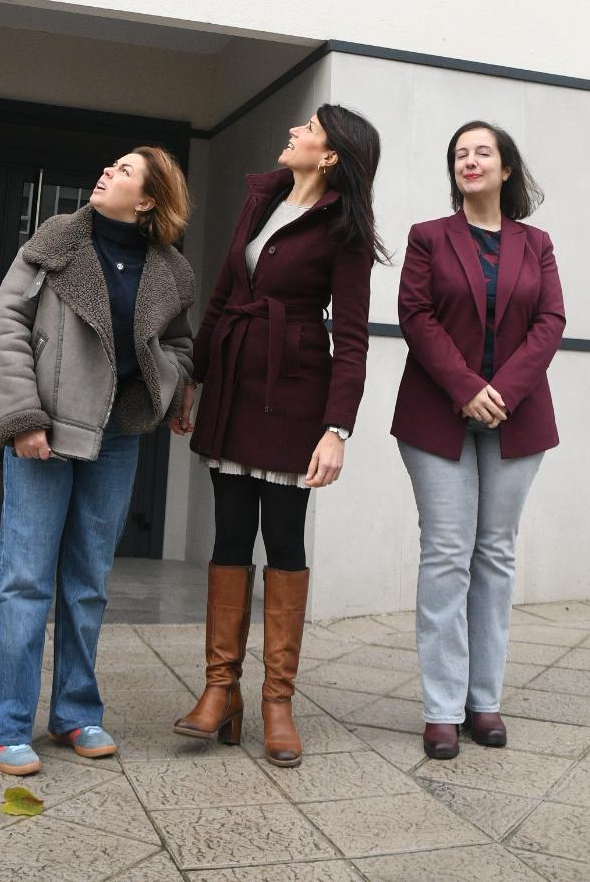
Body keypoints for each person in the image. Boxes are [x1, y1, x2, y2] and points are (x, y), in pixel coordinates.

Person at [174, 105, 383, 767]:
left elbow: (352, 339)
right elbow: (222, 296)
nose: (294, 132)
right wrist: (194, 378)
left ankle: (276, 702)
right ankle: (220, 690)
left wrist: (337, 429)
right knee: (230, 536)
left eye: (309, 129)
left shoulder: (345, 229)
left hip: (295, 393)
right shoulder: (261, 198)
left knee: (285, 540)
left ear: (330, 156)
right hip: (235, 384)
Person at [0, 146, 194, 776]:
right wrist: (23, 417)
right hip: (46, 428)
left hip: (117, 435)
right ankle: (4, 722)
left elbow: (181, 345)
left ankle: (75, 712)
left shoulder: (170, 270)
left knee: (88, 582)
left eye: (124, 171)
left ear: (148, 200)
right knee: (24, 578)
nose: (106, 172)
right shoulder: (55, 242)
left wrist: (164, 388)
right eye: (110, 165)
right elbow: (6, 326)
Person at [393, 121, 565, 761]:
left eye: (482, 152)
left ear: (505, 168)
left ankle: (483, 700)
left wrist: (504, 392)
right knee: (446, 553)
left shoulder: (536, 244)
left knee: (494, 554)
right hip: (437, 414)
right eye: (460, 154)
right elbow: (416, 316)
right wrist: (467, 388)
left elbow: (551, 321)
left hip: (517, 416)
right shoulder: (428, 237)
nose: (470, 161)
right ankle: (441, 708)